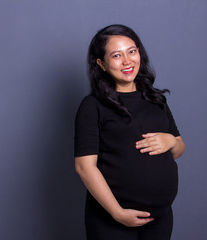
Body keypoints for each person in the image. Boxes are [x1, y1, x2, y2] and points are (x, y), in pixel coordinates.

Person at [74, 24, 185, 240]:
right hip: (112, 220)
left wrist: (171, 140)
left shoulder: (155, 99)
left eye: (132, 51)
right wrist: (117, 213)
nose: (127, 61)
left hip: (160, 218)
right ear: (102, 64)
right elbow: (84, 167)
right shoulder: (93, 105)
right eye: (116, 55)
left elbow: (179, 149)